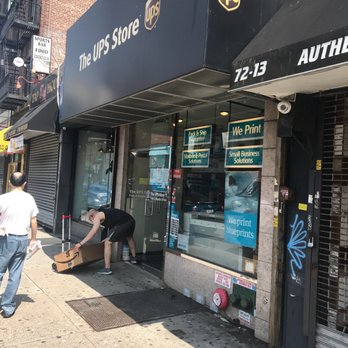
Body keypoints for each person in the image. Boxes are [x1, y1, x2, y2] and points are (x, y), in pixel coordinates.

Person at [0, 172, 39, 318]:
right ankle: (8, 306)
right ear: (24, 183)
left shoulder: (3, 198)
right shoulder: (29, 199)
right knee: (15, 273)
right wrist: (33, 239)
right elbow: (33, 221)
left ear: (9, 183)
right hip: (22, 239)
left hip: (5, 239)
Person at [73, 208, 137, 275]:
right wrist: (108, 237)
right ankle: (134, 258)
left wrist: (80, 243)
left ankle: (107, 269)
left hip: (122, 223)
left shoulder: (98, 216)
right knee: (129, 238)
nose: (92, 222)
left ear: (92, 216)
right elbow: (113, 226)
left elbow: (93, 231)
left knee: (107, 243)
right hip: (131, 221)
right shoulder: (105, 213)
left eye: (91, 220)